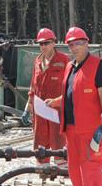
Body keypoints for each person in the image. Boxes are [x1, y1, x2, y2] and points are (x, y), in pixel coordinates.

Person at [45, 26, 102, 186]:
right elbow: (71, 94)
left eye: (79, 44)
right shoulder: (70, 66)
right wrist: (55, 102)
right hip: (71, 128)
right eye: (71, 44)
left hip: (90, 127)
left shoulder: (98, 64)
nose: (75, 47)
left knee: (90, 166)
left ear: (87, 43)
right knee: (74, 168)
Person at [22, 28, 69, 166]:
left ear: (54, 43)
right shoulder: (37, 61)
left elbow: (70, 87)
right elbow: (33, 87)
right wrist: (27, 108)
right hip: (40, 112)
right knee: (40, 145)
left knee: (59, 143)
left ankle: (63, 177)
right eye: (41, 44)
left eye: (46, 43)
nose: (43, 46)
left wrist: (59, 102)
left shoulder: (64, 60)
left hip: (57, 111)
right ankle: (43, 174)